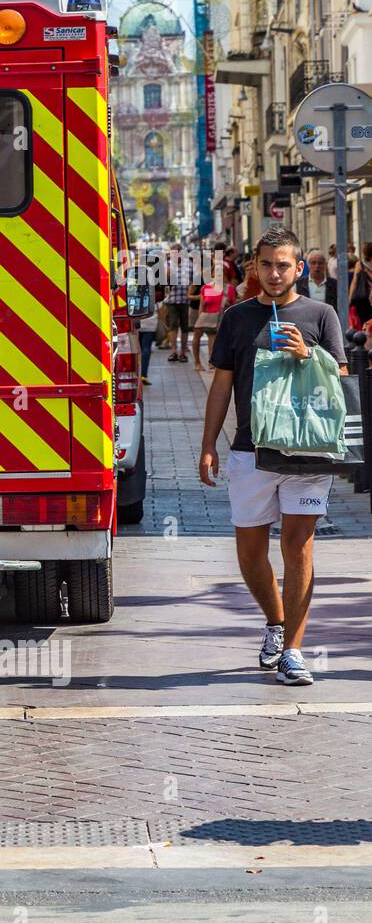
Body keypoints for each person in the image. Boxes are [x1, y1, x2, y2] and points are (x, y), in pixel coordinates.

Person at [199, 227, 347, 687]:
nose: (275, 273)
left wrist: (311, 354)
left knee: (298, 545)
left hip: (306, 451)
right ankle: (276, 622)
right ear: (255, 268)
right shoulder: (237, 318)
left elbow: (340, 381)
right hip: (249, 451)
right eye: (267, 264)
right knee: (250, 554)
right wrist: (208, 445)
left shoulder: (321, 315)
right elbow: (221, 383)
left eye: (284, 264)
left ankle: (293, 651)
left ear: (299, 268)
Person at [163, 241, 194, 361]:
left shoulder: (189, 265)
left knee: (185, 327)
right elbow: (162, 282)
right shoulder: (167, 265)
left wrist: (191, 291)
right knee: (173, 326)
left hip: (185, 300)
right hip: (171, 300)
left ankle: (183, 353)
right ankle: (174, 352)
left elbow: (195, 281)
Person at [190, 272, 226, 371]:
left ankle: (211, 362)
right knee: (196, 337)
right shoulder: (205, 288)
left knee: (213, 338)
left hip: (218, 316)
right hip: (206, 315)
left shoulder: (225, 289)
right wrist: (200, 318)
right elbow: (202, 305)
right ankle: (197, 363)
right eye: (216, 273)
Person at [350, 243, 372, 328]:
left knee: (364, 321)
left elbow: (354, 282)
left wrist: (350, 299)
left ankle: (366, 337)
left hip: (362, 298)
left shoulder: (360, 264)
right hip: (369, 297)